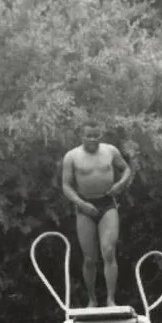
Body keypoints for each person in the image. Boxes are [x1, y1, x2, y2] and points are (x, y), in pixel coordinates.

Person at [56, 124, 135, 308]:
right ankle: (92, 299)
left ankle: (110, 299)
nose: (92, 139)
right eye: (88, 136)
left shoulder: (110, 151)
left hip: (107, 204)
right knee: (89, 258)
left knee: (108, 251)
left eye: (95, 135)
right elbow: (66, 186)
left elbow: (126, 169)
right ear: (81, 136)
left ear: (101, 135)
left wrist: (120, 185)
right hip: (85, 206)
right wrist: (82, 204)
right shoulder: (72, 156)